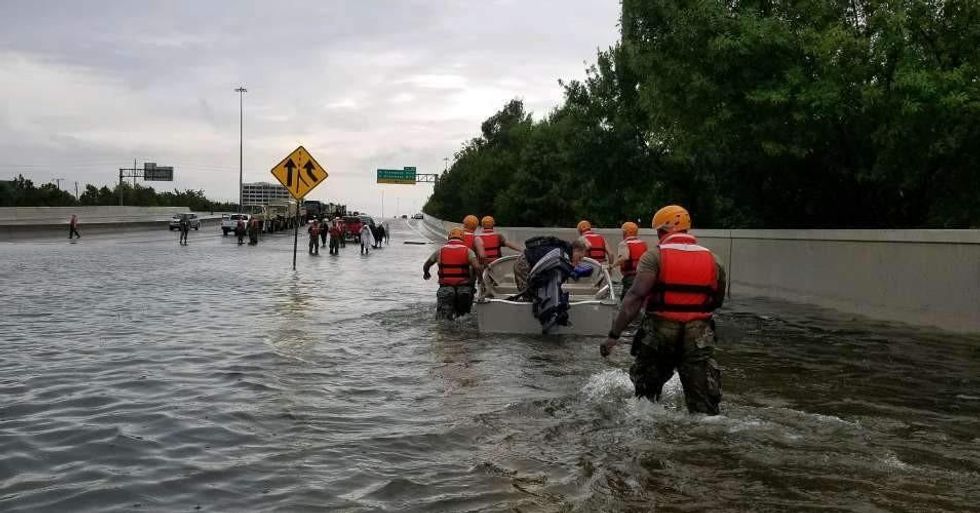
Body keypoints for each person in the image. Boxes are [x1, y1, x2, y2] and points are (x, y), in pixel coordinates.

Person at [600, 205, 727, 415]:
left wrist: (613, 336)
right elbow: (717, 300)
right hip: (699, 335)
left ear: (661, 231)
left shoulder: (654, 257)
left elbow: (635, 298)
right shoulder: (713, 259)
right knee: (704, 407)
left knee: (645, 400)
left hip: (660, 332)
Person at [423, 228, 482, 319]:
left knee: (443, 319)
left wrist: (426, 273)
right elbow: (477, 267)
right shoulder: (468, 251)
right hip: (464, 288)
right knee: (464, 317)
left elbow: (426, 265)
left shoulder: (440, 251)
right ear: (462, 238)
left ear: (449, 237)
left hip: (445, 287)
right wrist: (480, 279)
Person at [612, 221, 648, 297]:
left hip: (630, 277)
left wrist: (612, 266)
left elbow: (624, 257)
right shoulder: (643, 243)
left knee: (626, 299)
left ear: (625, 232)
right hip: (642, 275)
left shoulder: (624, 243)